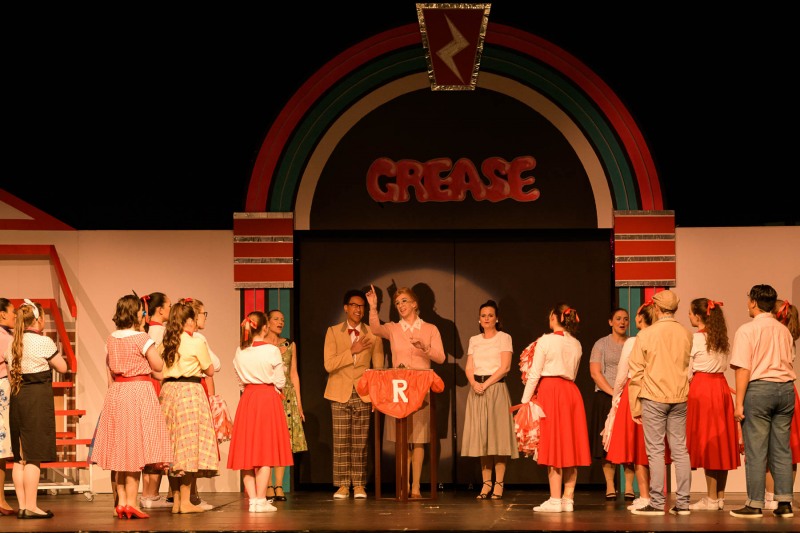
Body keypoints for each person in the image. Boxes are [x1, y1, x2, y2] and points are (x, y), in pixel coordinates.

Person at [89, 294, 173, 519]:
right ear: (136, 314)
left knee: (121, 453)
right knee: (135, 453)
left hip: (117, 393)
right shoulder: (141, 338)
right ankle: (131, 502)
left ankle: (122, 503)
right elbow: (158, 365)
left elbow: (109, 372)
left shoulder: (111, 339)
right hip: (138, 392)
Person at [366, 284, 446, 499]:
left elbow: (441, 357)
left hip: (420, 389)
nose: (400, 305)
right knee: (401, 440)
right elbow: (375, 329)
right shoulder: (393, 328)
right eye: (397, 303)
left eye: (404, 301)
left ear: (414, 304)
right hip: (398, 389)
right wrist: (373, 307)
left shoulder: (429, 329)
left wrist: (424, 347)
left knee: (418, 439)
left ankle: (416, 486)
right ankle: (404, 484)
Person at [729, 285, 795, 518]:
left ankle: (755, 504)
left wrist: (739, 404)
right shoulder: (783, 330)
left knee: (756, 450)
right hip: (786, 389)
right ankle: (784, 503)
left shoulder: (747, 330)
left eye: (749, 300)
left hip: (759, 390)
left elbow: (743, 368)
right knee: (781, 449)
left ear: (754, 302)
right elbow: (790, 359)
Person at [519, 303, 590, 513]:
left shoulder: (546, 340)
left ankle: (555, 499)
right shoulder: (576, 343)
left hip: (551, 391)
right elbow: (573, 372)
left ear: (554, 317)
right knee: (569, 444)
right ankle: (568, 499)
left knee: (553, 444)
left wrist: (525, 402)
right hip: (571, 392)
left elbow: (534, 374)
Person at [628, 289, 692, 516]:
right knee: (680, 450)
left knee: (655, 451)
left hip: (654, 396)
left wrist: (635, 404)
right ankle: (683, 503)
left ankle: (656, 503)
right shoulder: (686, 333)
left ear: (656, 308)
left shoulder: (646, 334)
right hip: (679, 397)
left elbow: (636, 371)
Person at [5, 299, 68, 519]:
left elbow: (11, 377)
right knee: (33, 456)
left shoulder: (13, 344)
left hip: (18, 399)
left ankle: (23, 506)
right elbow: (63, 367)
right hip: (36, 400)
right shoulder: (43, 342)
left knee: (20, 457)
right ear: (38, 319)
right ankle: (31, 506)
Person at [228, 311, 293, 513]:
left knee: (247, 452)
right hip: (267, 398)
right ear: (265, 327)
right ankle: (261, 499)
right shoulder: (271, 350)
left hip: (248, 399)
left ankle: (253, 500)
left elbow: (240, 381)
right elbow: (280, 381)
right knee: (265, 450)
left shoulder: (240, 351)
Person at [159, 301, 219, 514]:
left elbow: (158, 368)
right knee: (188, 447)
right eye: (193, 318)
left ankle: (176, 501)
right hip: (190, 392)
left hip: (168, 392)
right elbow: (210, 370)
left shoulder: (167, 341)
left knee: (172, 447)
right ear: (188, 320)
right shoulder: (196, 342)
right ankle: (185, 501)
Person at [323, 289, 385, 500]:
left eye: (361, 306)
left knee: (360, 442)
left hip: (363, 392)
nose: (358, 309)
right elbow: (329, 364)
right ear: (346, 308)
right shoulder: (333, 332)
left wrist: (376, 396)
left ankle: (358, 484)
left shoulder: (373, 333)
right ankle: (342, 485)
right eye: (354, 305)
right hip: (339, 391)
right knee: (341, 441)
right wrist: (352, 351)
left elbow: (378, 369)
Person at [460, 299, 518, 500]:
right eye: (483, 316)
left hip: (496, 389)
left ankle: (499, 483)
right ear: (479, 319)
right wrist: (474, 383)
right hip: (478, 390)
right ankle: (486, 484)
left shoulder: (504, 338)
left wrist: (486, 384)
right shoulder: (474, 340)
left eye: (490, 315)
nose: (486, 319)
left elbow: (505, 367)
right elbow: (469, 367)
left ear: (496, 319)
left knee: (498, 438)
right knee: (482, 438)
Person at [686, 298, 740, 511]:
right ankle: (719, 496)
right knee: (720, 440)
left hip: (703, 389)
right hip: (720, 388)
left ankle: (710, 498)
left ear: (698, 316)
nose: (689, 316)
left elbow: (688, 370)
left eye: (691, 313)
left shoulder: (696, 339)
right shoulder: (720, 337)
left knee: (709, 441)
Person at [603, 302, 656, 512]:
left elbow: (622, 373)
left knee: (638, 446)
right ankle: (653, 495)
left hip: (634, 393)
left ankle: (645, 496)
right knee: (651, 446)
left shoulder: (634, 341)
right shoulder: (659, 338)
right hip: (655, 391)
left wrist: (616, 397)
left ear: (640, 319)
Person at [180, 297, 221, 511]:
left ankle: (182, 496)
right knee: (192, 444)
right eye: (204, 313)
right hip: (195, 387)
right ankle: (190, 496)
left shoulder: (175, 337)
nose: (205, 317)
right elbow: (215, 365)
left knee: (182, 443)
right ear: (194, 316)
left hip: (180, 388)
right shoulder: (197, 339)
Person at [588, 307, 633, 501]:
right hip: (606, 396)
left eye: (625, 319)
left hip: (628, 397)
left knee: (628, 442)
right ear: (610, 322)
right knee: (606, 443)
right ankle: (610, 485)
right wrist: (613, 392)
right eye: (618, 318)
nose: (622, 322)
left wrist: (624, 393)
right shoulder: (601, 344)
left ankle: (629, 486)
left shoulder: (632, 343)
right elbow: (595, 372)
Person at [263, 308, 307, 501]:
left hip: (287, 396)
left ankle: (279, 486)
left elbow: (293, 374)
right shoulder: (260, 345)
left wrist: (299, 403)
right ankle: (267, 485)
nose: (280, 322)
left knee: (283, 441)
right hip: (268, 394)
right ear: (267, 322)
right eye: (276, 319)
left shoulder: (289, 345)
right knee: (267, 441)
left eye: (282, 319)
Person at [139, 291, 173, 510]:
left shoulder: (143, 330)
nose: (170, 310)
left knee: (147, 440)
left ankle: (148, 494)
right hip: (158, 384)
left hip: (146, 384)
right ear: (160, 309)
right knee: (157, 439)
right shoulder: (161, 332)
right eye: (169, 306)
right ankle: (151, 494)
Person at [764, 298, 800, 509]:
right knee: (789, 447)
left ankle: (771, 496)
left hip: (773, 388)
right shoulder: (788, 337)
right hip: (789, 391)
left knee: (771, 446)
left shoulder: (776, 335)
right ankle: (785, 496)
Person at [0, 298, 16, 515]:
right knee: (1, 448)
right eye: (12, 312)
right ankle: (0, 500)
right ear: (2, 314)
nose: (15, 316)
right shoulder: (5, 338)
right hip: (2, 388)